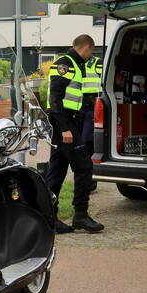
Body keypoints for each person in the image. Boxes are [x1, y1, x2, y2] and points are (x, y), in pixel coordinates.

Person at [45, 34, 104, 234]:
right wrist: (65, 129)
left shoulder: (76, 64)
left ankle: (49, 218)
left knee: (57, 170)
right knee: (85, 167)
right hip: (64, 122)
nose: (91, 55)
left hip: (70, 121)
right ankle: (80, 215)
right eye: (91, 51)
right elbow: (55, 99)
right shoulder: (66, 64)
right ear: (87, 47)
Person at [81, 53, 103, 193]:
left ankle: (90, 181)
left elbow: (105, 81)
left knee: (87, 142)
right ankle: (87, 181)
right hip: (78, 108)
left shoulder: (97, 63)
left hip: (91, 106)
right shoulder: (75, 63)